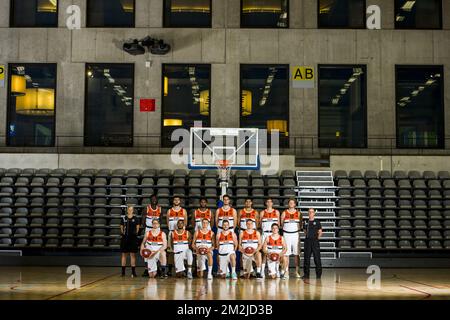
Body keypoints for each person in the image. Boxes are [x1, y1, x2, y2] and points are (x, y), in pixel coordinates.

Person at [280, 198, 303, 279]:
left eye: (292, 203)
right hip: (286, 234)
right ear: (288, 204)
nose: (291, 204)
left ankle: (297, 271)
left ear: (295, 204)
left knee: (297, 254)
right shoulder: (284, 213)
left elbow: (301, 225)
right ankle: (286, 271)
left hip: (296, 234)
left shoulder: (299, 213)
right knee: (286, 253)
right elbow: (281, 224)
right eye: (290, 202)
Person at [259, 198, 280, 278]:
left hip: (273, 234)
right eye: (267, 201)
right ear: (266, 203)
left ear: (272, 203)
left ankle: (277, 270)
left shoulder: (276, 212)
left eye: (270, 201)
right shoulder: (262, 212)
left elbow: (278, 224)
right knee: (265, 253)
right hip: (265, 234)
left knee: (276, 252)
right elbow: (260, 224)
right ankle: (262, 271)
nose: (269, 203)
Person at [141, 194, 161, 277]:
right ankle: (147, 269)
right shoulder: (146, 208)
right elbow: (143, 219)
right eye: (152, 198)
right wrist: (147, 229)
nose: (154, 200)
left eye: (155, 198)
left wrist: (158, 229)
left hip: (157, 229)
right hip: (149, 229)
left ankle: (157, 268)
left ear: (157, 200)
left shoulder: (160, 208)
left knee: (158, 249)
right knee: (147, 249)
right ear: (150, 200)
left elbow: (161, 220)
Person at [302, 208, 323, 280]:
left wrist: (316, 239)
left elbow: (320, 232)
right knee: (306, 259)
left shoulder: (317, 222)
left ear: (314, 213)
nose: (310, 213)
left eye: (312, 212)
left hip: (315, 241)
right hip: (307, 241)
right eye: (309, 212)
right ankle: (306, 275)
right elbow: (305, 231)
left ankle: (318, 275)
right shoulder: (305, 222)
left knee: (317, 258)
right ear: (308, 213)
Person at [120, 205, 140, 277]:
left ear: (133, 210)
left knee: (132, 255)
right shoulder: (124, 218)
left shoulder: (136, 218)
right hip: (125, 239)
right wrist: (123, 233)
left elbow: (138, 227)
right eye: (129, 209)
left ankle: (133, 272)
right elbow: (121, 227)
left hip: (133, 239)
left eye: (132, 209)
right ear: (127, 210)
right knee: (124, 255)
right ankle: (123, 272)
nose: (130, 211)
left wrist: (135, 233)